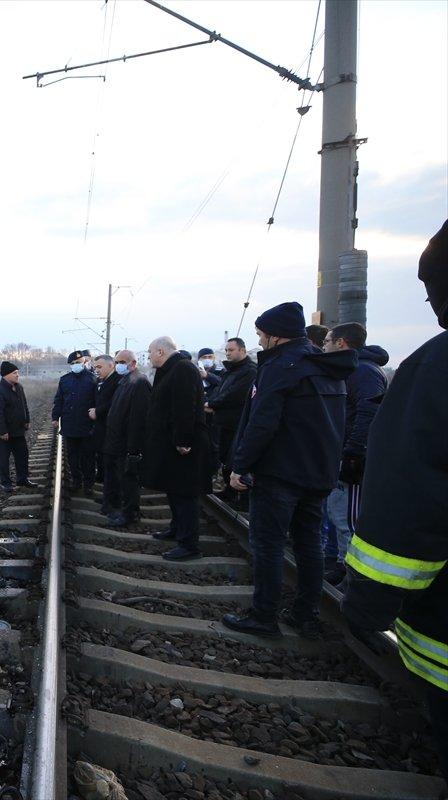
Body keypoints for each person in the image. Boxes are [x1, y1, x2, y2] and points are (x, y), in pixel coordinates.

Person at [342, 220, 448, 777]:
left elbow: (412, 498)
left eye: (434, 294)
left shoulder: (434, 368)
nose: (431, 309)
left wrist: (369, 602)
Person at [221, 301, 356, 638]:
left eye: (261, 335)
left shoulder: (281, 366)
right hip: (319, 473)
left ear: (276, 336)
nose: (260, 341)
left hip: (280, 473)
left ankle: (263, 615)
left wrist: (241, 465)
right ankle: (305, 615)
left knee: (267, 544)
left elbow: (263, 423)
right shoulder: (327, 365)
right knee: (309, 545)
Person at [321, 322, 389, 584]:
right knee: (338, 515)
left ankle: (353, 575)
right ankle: (341, 564)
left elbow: (367, 412)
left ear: (341, 343)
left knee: (347, 519)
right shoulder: (353, 370)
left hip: (352, 456)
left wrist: (352, 452)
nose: (324, 346)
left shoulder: (363, 371)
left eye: (327, 341)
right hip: (343, 450)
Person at [141, 336, 210, 560]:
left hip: (182, 446)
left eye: (150, 352)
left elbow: (185, 407)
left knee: (184, 493)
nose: (149, 355)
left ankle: (189, 544)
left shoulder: (182, 369)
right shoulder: (171, 369)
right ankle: (176, 528)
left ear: (161, 351)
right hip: (170, 444)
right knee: (174, 489)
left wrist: (183, 440)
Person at [103, 349, 151, 528]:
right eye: (117, 362)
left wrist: (134, 448)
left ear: (133, 363)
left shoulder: (139, 382)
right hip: (118, 441)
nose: (118, 366)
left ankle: (131, 514)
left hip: (127, 443)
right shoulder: (126, 380)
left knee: (129, 480)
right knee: (123, 478)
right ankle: (126, 511)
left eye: (122, 362)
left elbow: (139, 418)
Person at [204, 337, 257, 495]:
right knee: (225, 457)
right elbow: (220, 391)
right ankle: (230, 491)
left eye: (231, 350)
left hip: (237, 423)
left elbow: (234, 394)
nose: (227, 353)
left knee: (234, 458)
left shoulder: (250, 370)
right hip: (224, 422)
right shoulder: (231, 370)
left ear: (242, 350)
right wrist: (211, 401)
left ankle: (240, 495)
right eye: (226, 350)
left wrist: (212, 404)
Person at [52, 350, 97, 493]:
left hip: (86, 425)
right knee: (72, 456)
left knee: (88, 456)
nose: (75, 365)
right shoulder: (64, 380)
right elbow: (59, 400)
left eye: (78, 362)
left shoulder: (92, 379)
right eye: (72, 363)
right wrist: (55, 417)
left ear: (84, 362)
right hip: (70, 424)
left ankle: (88, 484)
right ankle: (76, 481)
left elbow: (97, 401)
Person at [0, 360, 38, 492]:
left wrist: (27, 419)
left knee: (22, 455)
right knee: (4, 459)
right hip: (4, 433)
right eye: (15, 373)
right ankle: (6, 483)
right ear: (6, 375)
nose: (17, 375)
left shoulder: (19, 387)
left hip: (18, 430)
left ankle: (22, 479)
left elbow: (24, 405)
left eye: (18, 373)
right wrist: (3, 431)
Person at [87, 355, 122, 513]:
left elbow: (115, 403)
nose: (96, 370)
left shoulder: (117, 381)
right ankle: (108, 497)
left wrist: (97, 411)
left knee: (112, 469)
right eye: (95, 367)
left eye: (99, 367)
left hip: (111, 431)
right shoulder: (103, 381)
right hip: (102, 430)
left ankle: (112, 502)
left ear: (111, 365)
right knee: (106, 467)